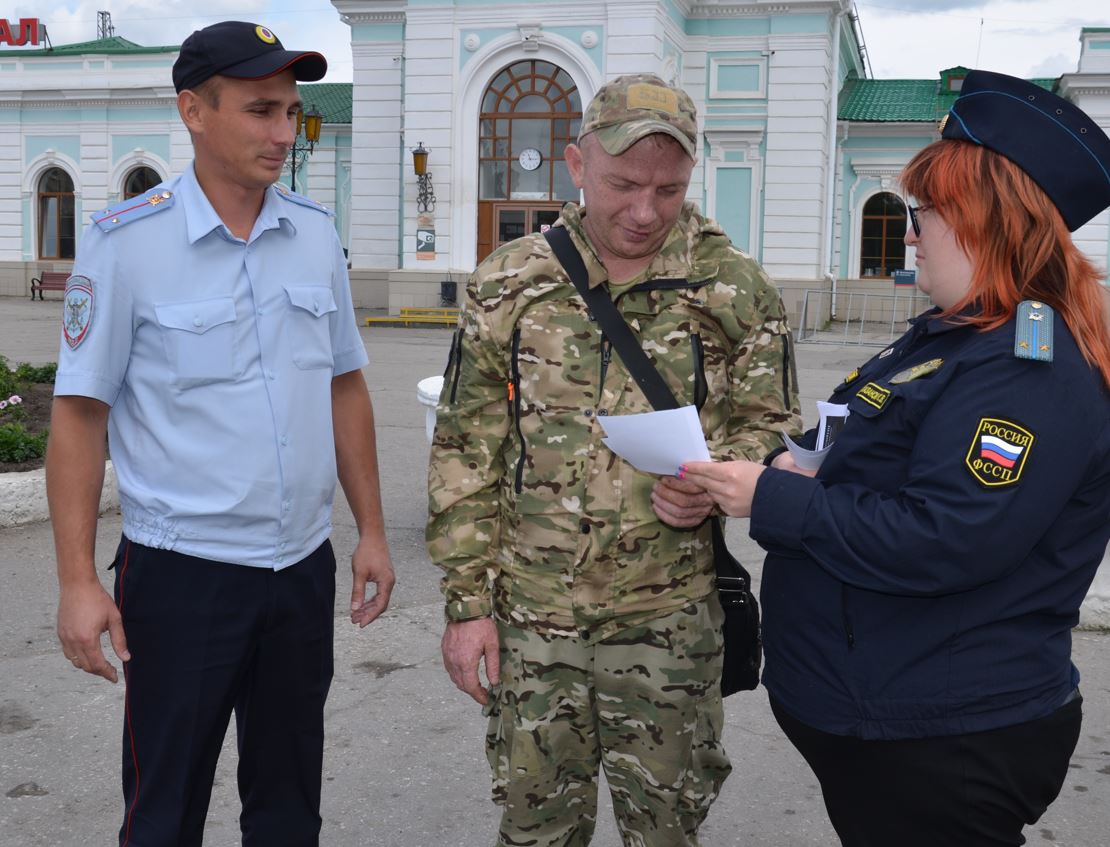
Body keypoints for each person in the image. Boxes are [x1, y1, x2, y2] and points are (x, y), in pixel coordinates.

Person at [675, 69, 1110, 846]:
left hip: (944, 736)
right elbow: (865, 447)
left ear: (985, 221)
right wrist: (786, 465)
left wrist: (769, 499)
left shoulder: (1023, 367)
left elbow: (947, 534)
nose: (908, 234)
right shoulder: (956, 333)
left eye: (922, 215)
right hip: (890, 715)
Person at [427, 73, 801, 846]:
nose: (644, 211)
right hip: (534, 623)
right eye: (623, 183)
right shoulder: (510, 283)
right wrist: (467, 608)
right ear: (575, 163)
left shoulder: (735, 289)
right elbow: (467, 450)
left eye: (669, 189)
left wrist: (717, 484)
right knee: (537, 829)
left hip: (665, 623)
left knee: (666, 829)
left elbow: (771, 430)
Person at [47, 21, 395, 846]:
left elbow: (345, 385)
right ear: (194, 111)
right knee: (165, 809)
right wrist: (75, 581)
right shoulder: (124, 244)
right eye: (261, 111)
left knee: (287, 808)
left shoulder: (313, 235)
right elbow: (78, 415)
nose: (284, 134)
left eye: (292, 114)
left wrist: (372, 530)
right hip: (182, 578)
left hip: (299, 570)